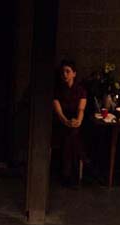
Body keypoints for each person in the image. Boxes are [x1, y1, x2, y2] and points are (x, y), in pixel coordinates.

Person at [52, 59, 88, 187]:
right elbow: (58, 112)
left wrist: (78, 121)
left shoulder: (81, 90)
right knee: (70, 136)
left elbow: (81, 109)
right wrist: (66, 121)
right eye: (63, 72)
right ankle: (73, 176)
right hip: (61, 123)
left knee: (72, 135)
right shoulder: (57, 90)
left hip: (76, 122)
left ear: (74, 73)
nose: (65, 74)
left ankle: (67, 174)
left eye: (68, 71)